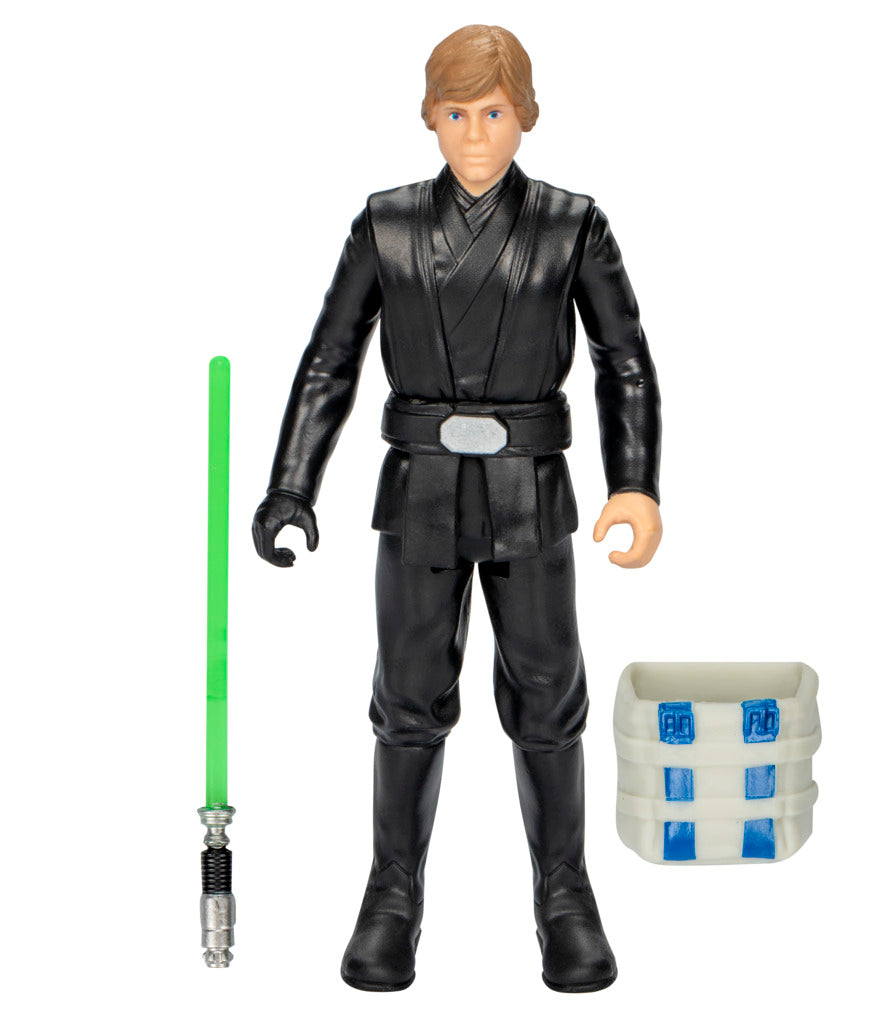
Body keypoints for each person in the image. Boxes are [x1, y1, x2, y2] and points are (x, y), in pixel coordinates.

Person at [252, 24, 662, 993]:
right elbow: (331, 357)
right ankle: (391, 892)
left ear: (525, 116)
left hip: (530, 494)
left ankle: (564, 892)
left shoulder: (570, 225)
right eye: (456, 113)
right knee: (406, 697)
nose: (475, 134)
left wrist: (635, 482)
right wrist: (293, 483)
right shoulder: (387, 224)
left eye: (494, 112)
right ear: (429, 118)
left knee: (548, 697)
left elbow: (624, 360)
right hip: (421, 493)